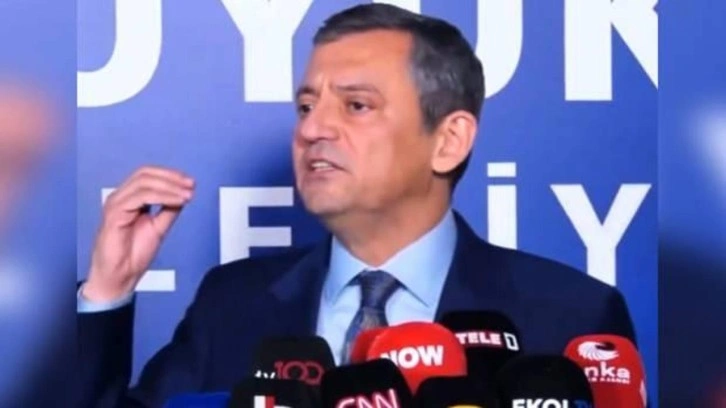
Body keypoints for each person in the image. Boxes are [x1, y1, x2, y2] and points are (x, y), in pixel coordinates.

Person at [77, 4, 636, 407]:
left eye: (356, 105)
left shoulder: (571, 315)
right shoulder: (231, 305)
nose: (312, 129)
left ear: (449, 141)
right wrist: (108, 293)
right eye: (306, 106)